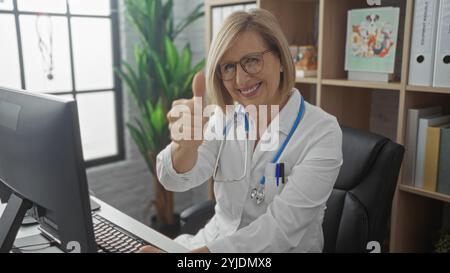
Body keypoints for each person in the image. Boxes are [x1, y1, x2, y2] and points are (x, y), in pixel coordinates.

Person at [140, 8, 343, 253]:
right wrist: (184, 146)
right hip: (211, 242)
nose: (240, 79)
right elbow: (173, 180)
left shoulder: (322, 132)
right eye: (228, 67)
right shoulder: (224, 117)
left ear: (280, 59)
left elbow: (280, 231)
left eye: (252, 61)